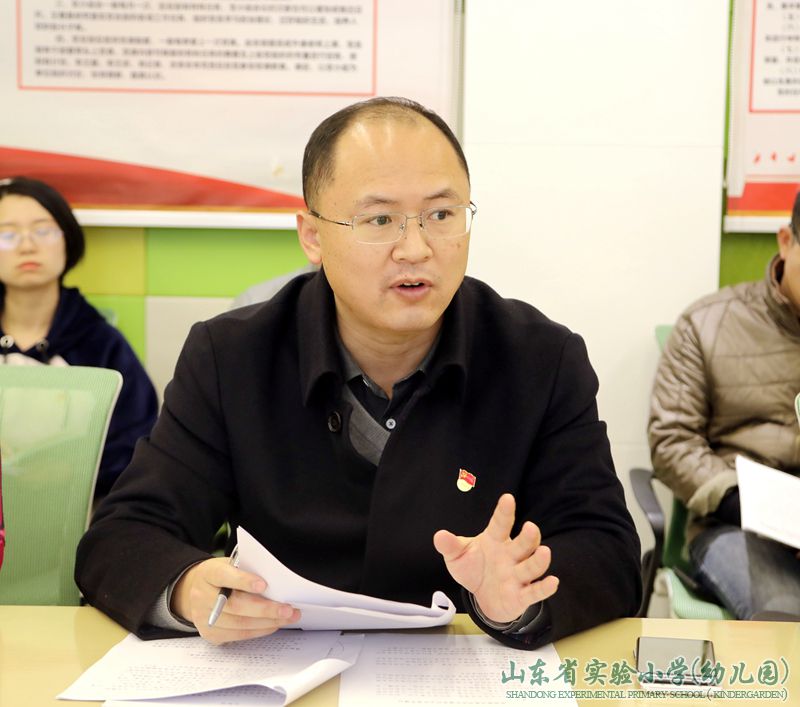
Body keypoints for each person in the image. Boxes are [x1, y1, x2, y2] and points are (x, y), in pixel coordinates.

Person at [76, 97, 640, 649]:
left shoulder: (539, 358)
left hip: (460, 671)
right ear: (312, 236)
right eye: (380, 219)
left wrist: (517, 603)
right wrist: (187, 590)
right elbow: (125, 534)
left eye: (442, 215)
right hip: (280, 666)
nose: (416, 248)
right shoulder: (232, 356)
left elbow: (607, 549)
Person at [648, 193, 800, 619]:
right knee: (787, 616)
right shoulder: (708, 325)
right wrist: (744, 503)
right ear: (785, 240)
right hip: (738, 526)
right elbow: (672, 442)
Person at [0, 177, 158, 497]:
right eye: (7, 235)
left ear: (68, 240)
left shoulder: (101, 343)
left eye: (43, 231)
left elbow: (138, 444)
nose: (27, 246)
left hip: (76, 510)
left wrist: (70, 472)